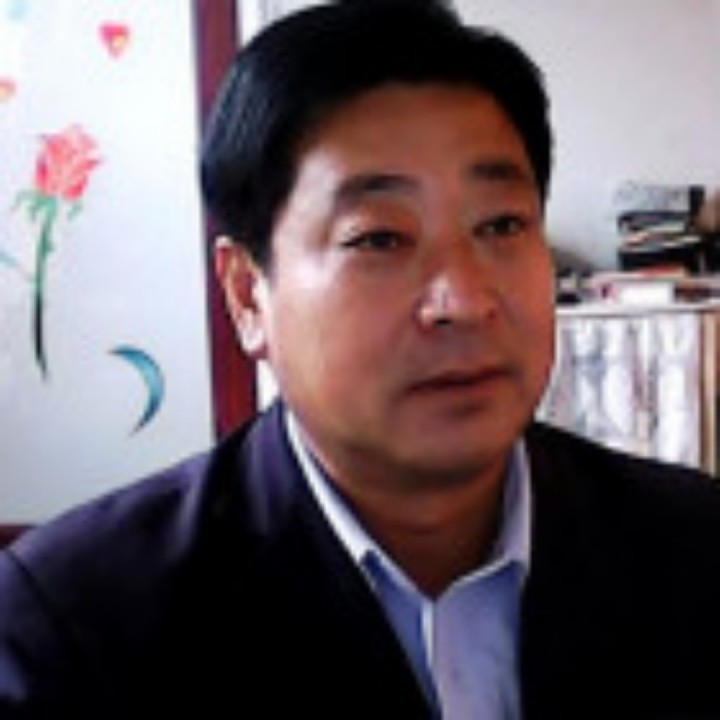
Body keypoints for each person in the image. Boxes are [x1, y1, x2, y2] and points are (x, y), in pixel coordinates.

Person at [2, 0, 720, 717]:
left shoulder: (696, 548)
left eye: (502, 225)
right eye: (379, 239)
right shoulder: (76, 622)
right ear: (247, 294)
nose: (464, 301)